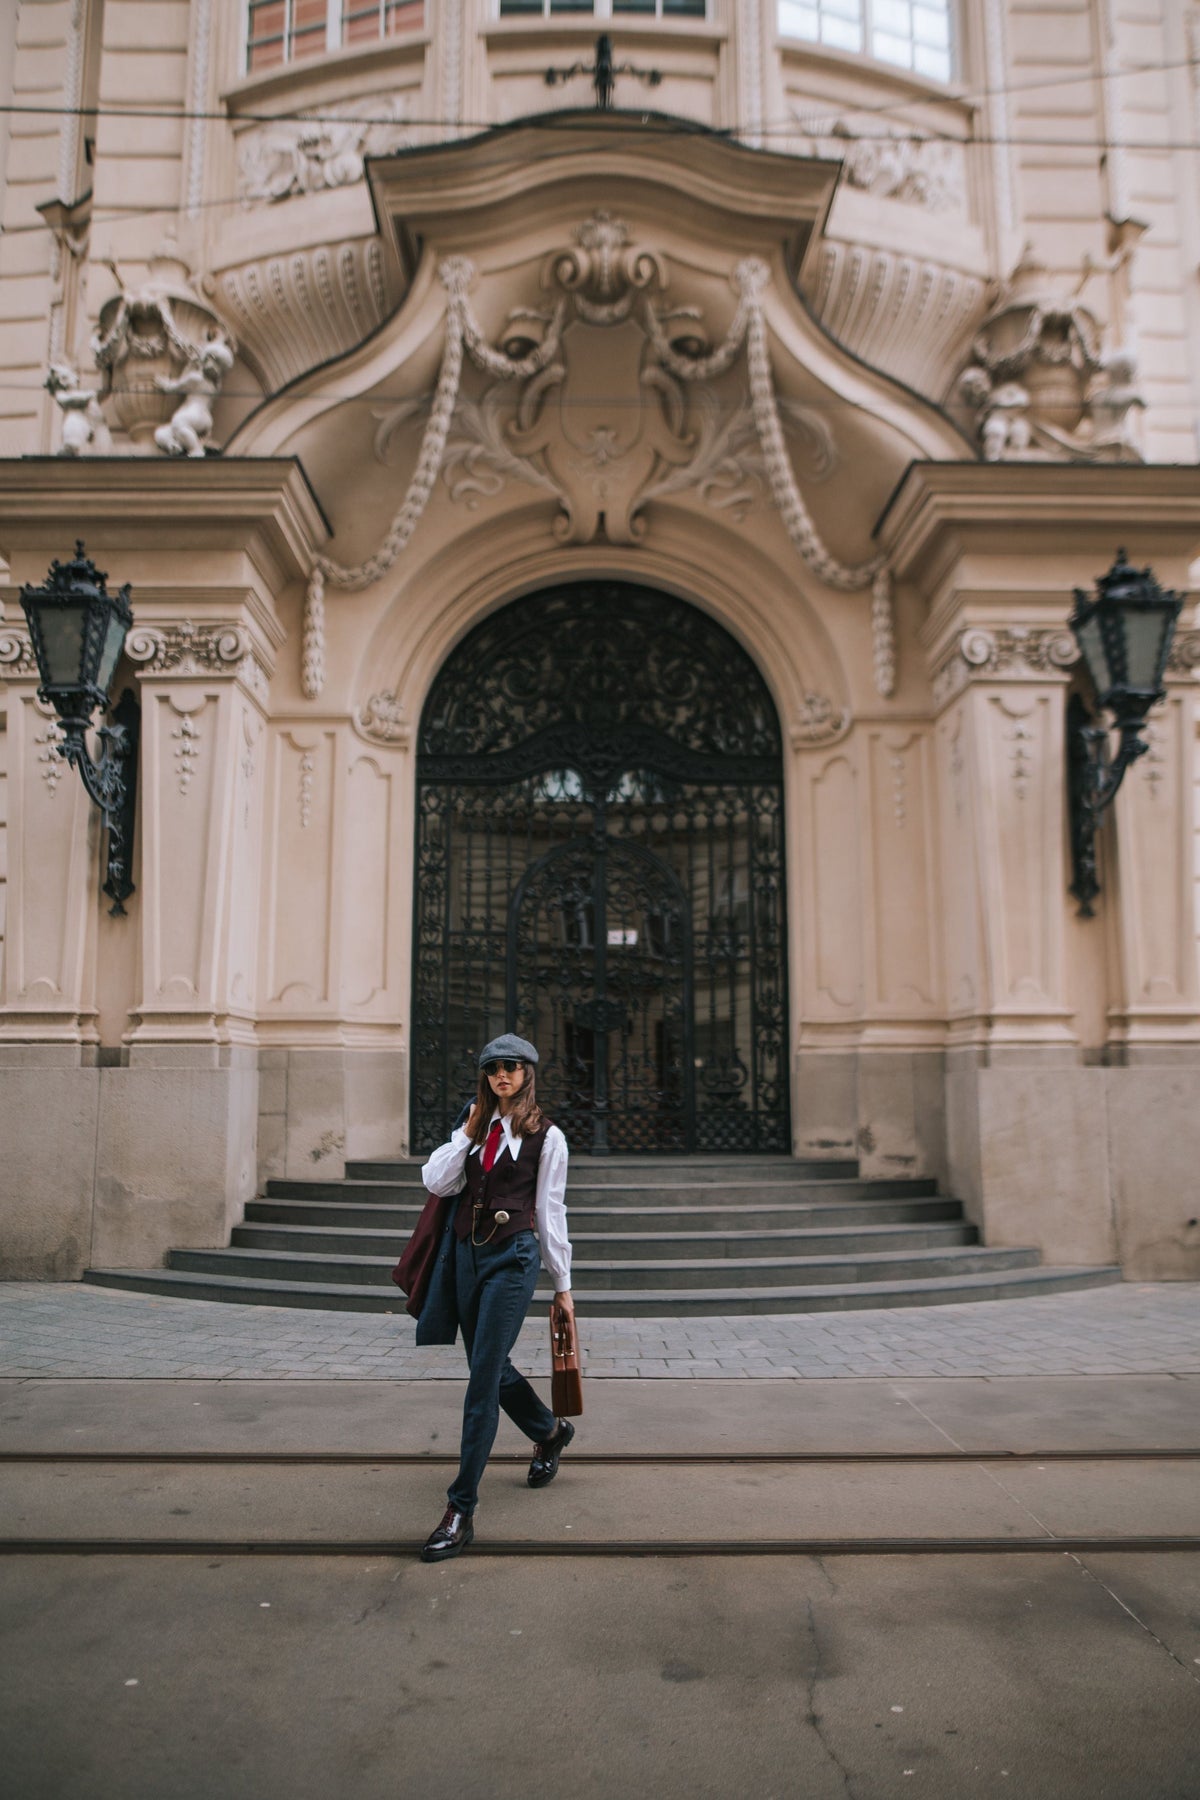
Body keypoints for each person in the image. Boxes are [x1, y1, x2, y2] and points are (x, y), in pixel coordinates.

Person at [418, 1033, 575, 1562]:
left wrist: (562, 1286)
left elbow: (551, 1212)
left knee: (481, 1380)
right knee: (490, 1365)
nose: (501, 1075)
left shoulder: (548, 1137)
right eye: (492, 1069)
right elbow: (437, 1183)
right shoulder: (473, 1125)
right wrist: (466, 1132)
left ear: (528, 1072)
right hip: (465, 1258)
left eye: (511, 1066)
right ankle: (549, 1432)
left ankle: (460, 1509)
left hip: (513, 1260)